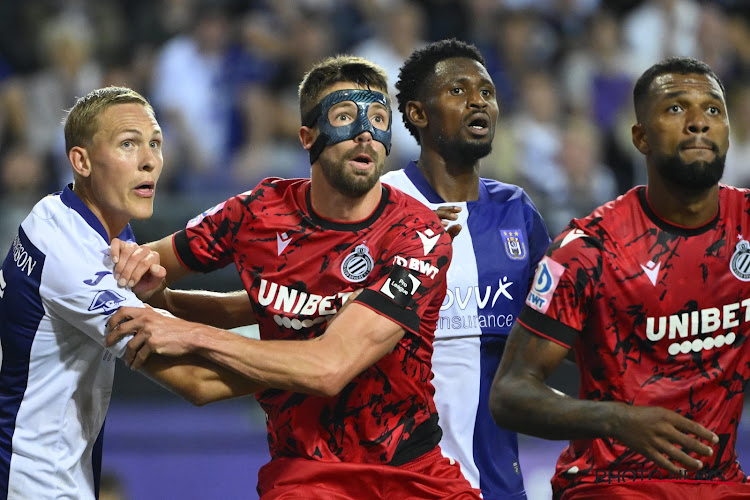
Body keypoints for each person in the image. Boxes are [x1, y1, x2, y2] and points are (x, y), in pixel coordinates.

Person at [106, 55, 481, 499]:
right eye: (344, 116)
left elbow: (328, 368)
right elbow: (143, 266)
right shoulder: (255, 213)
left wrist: (187, 332)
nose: (365, 131)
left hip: (412, 475)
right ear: (308, 137)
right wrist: (155, 293)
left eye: (379, 119)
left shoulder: (417, 235)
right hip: (307, 476)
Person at [489, 57, 750, 499]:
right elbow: (511, 393)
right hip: (610, 485)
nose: (698, 124)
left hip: (720, 484)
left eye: (713, 110)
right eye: (675, 108)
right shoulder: (587, 250)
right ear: (640, 137)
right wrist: (616, 419)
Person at [0, 86, 259, 500]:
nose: (149, 160)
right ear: (80, 161)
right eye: (128, 144)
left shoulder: (79, 220)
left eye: (155, 143)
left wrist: (275, 311)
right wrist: (309, 360)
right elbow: (197, 380)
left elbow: (170, 322)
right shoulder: (72, 255)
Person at [380, 39, 551, 499]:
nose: (479, 101)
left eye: (488, 92)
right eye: (458, 90)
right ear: (417, 113)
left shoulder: (517, 210)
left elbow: (562, 328)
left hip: (498, 480)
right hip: (403, 478)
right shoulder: (381, 205)